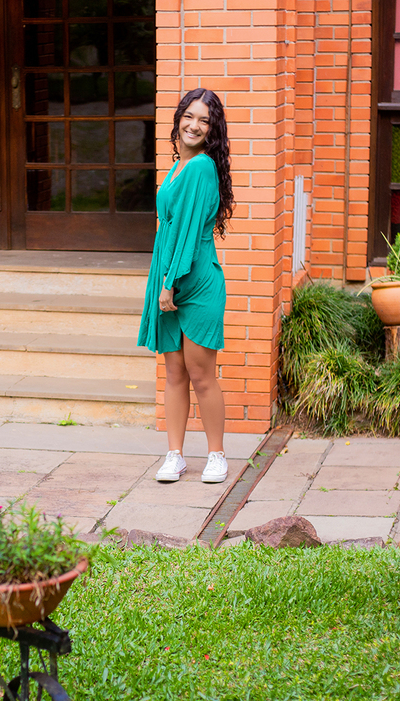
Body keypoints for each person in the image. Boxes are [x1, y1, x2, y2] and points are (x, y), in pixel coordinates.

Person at [137, 87, 235, 483]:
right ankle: (174, 455)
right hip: (169, 276)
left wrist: (169, 285)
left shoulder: (200, 168)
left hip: (193, 282)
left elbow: (191, 232)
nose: (194, 125)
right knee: (174, 372)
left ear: (212, 130)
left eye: (204, 120)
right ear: (178, 120)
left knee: (200, 374)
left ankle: (216, 455)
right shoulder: (179, 166)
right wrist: (162, 281)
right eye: (189, 117)